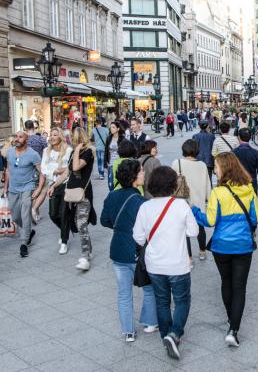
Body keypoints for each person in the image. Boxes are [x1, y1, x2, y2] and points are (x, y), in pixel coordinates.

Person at [191, 152, 258, 348]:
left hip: (221, 246)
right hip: (243, 245)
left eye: (217, 167)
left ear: (225, 169)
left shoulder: (218, 193)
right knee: (240, 287)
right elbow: (255, 219)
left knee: (226, 282)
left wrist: (195, 211)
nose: (216, 171)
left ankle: (231, 319)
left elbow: (210, 220)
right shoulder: (248, 189)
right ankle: (234, 330)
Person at [132, 166, 198, 360]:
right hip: (178, 263)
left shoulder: (145, 207)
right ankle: (174, 333)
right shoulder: (181, 205)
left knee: (162, 301)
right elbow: (193, 232)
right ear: (173, 185)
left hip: (154, 264)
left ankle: (165, 336)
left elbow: (137, 236)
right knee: (182, 300)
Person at [100, 159, 158, 342]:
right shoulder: (142, 202)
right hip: (137, 251)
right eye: (141, 171)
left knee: (124, 292)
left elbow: (104, 220)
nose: (143, 174)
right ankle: (149, 322)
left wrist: (122, 228)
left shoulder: (111, 196)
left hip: (118, 249)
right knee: (148, 288)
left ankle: (128, 331)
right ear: (134, 177)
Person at [55, 127, 96, 269]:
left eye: (74, 138)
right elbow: (68, 172)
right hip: (71, 194)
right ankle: (88, 251)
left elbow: (77, 167)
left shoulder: (88, 152)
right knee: (76, 223)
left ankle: (85, 256)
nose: (71, 140)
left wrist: (78, 149)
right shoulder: (73, 152)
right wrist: (53, 186)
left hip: (83, 194)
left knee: (81, 224)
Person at [171, 140, 211, 260]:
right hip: (198, 203)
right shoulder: (202, 165)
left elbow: (171, 183)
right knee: (200, 227)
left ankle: (188, 258)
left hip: (182, 202)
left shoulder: (176, 163)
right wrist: (209, 201)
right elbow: (208, 185)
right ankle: (202, 251)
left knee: (184, 230)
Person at [3, 131, 42, 258]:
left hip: (27, 187)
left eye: (20, 137)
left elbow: (42, 172)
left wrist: (39, 189)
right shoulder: (10, 152)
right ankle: (28, 231)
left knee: (25, 215)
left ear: (26, 140)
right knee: (15, 217)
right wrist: (5, 188)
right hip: (13, 188)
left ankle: (24, 243)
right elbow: (8, 170)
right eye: (16, 137)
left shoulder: (33, 154)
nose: (17, 139)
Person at [36, 128, 72, 254]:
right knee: (53, 214)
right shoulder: (46, 151)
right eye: (51, 135)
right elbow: (44, 169)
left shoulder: (68, 150)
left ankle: (64, 241)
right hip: (52, 184)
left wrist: (58, 170)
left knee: (63, 213)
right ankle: (65, 230)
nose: (52, 137)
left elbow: (69, 168)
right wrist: (57, 170)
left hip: (66, 184)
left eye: (55, 135)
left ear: (60, 136)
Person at [232, 128, 258, 194]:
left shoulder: (233, 152)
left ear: (239, 137)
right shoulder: (255, 152)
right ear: (250, 137)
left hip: (238, 182)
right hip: (252, 182)